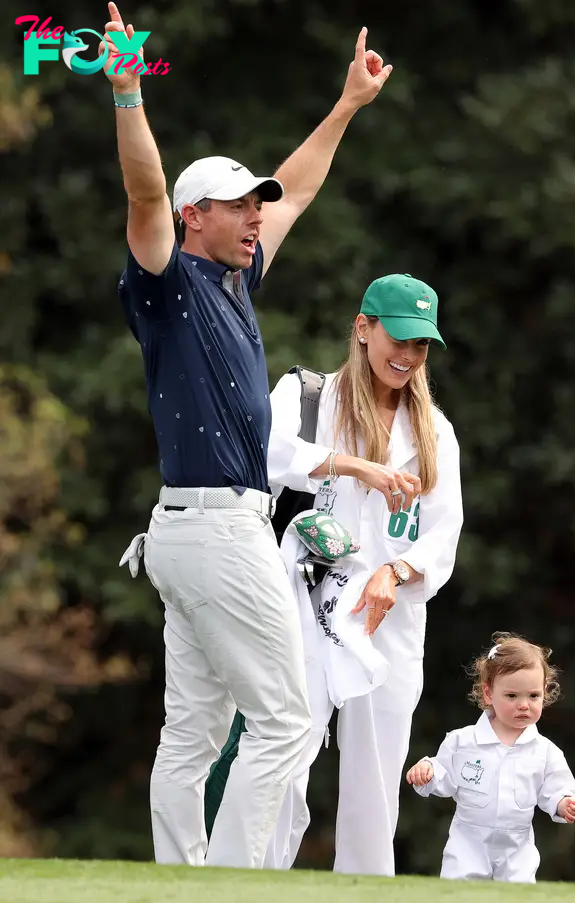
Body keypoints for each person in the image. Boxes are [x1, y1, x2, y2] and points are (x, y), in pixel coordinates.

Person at [103, 1, 395, 870]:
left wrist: (345, 106)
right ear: (197, 219)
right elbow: (145, 191)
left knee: (193, 731)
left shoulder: (235, 278)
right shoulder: (167, 280)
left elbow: (298, 184)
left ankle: (177, 880)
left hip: (191, 532)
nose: (258, 215)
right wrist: (128, 91)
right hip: (219, 535)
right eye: (240, 207)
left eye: (255, 206)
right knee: (284, 719)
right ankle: (227, 883)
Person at [254, 272, 463, 876]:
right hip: (307, 599)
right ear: (363, 328)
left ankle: (367, 889)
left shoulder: (436, 432)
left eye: (421, 344)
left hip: (386, 613)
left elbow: (443, 532)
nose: (408, 355)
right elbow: (264, 453)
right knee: (286, 756)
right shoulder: (310, 394)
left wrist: (397, 572)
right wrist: (353, 466)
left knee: (376, 776)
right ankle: (251, 884)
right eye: (398, 337)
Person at [406, 633, 575, 883]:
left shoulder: (545, 751)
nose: (524, 705)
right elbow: (443, 776)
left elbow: (555, 788)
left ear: (544, 692)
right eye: (512, 696)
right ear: (489, 694)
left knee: (518, 895)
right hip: (468, 841)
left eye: (533, 696)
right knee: (459, 892)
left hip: (517, 847)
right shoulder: (462, 741)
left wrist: (564, 802)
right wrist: (427, 770)